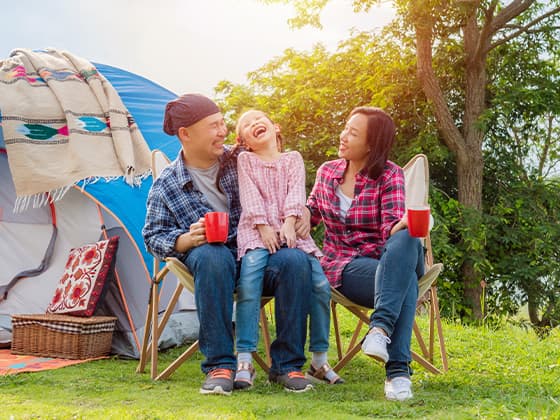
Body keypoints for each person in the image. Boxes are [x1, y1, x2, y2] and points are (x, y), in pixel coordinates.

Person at [143, 94, 314, 395]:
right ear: (186, 134)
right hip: (213, 268)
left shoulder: (243, 159)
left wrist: (304, 213)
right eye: (214, 126)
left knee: (295, 261)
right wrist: (185, 239)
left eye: (222, 123)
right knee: (212, 254)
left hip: (258, 256)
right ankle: (220, 364)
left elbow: (286, 176)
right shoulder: (168, 183)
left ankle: (287, 365)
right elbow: (153, 236)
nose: (223, 131)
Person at [305, 106, 425, 401]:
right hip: (343, 267)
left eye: (353, 133)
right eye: (345, 128)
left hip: (383, 259)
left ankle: (380, 328)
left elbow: (389, 233)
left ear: (371, 144)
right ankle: (397, 372)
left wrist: (409, 223)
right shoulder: (327, 172)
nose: (343, 136)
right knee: (405, 282)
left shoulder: (390, 175)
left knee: (407, 236)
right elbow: (311, 215)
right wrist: (292, 218)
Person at [233, 110, 344, 390]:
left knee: (320, 286)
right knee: (249, 284)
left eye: (259, 118)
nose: (254, 123)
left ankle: (319, 359)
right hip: (258, 234)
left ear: (275, 126)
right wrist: (263, 226)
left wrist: (291, 222)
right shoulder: (246, 160)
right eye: (246, 125)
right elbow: (249, 195)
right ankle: (244, 357)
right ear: (245, 141)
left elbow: (296, 192)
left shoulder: (292, 159)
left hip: (291, 232)